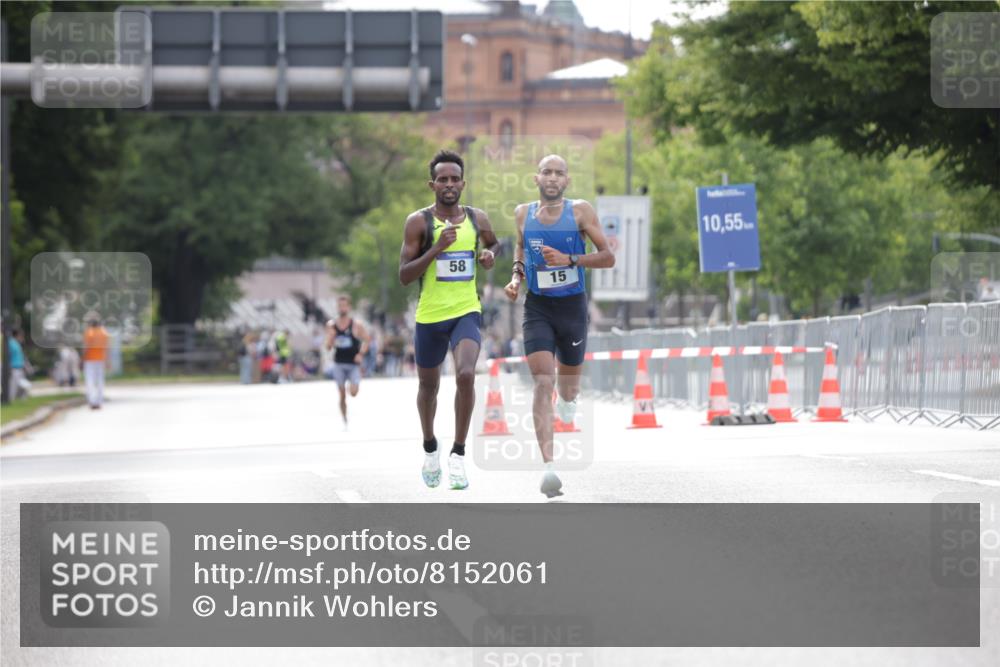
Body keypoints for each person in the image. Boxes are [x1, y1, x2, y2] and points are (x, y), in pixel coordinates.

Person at [504, 154, 614, 497]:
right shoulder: (523, 214)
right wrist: (516, 277)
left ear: (566, 181)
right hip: (538, 307)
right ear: (536, 178)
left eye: (559, 173)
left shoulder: (580, 212)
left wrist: (571, 259)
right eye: (546, 172)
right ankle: (548, 467)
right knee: (542, 381)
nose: (552, 178)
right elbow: (521, 248)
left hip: (572, 307)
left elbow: (607, 256)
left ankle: (568, 400)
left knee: (566, 389)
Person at [399, 149, 500, 490]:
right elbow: (404, 275)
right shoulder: (419, 223)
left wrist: (488, 256)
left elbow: (495, 245)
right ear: (432, 184)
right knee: (429, 387)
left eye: (455, 179)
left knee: (467, 375)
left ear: (463, 183)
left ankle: (458, 455)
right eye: (442, 179)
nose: (449, 184)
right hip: (430, 317)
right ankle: (430, 447)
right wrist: (436, 248)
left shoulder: (477, 218)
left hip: (465, 312)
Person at [324, 295, 371, 430]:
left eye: (344, 305)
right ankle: (344, 418)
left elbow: (367, 339)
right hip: (339, 363)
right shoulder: (331, 325)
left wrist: (360, 354)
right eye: (340, 306)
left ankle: (352, 384)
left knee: (354, 392)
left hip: (353, 364)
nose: (342, 308)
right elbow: (327, 347)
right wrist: (331, 338)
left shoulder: (356, 325)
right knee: (342, 395)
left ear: (349, 307)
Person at [82, 315, 110, 409]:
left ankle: (92, 401)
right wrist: (108, 361)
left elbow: (86, 347)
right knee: (100, 381)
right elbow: (107, 348)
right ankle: (99, 401)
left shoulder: (89, 332)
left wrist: (82, 359)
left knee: (90, 381)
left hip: (90, 360)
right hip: (101, 359)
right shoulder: (104, 332)